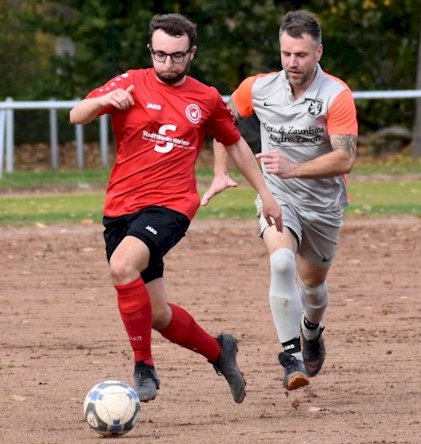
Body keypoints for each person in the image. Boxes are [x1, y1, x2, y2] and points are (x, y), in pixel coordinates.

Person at [69, 13, 282, 404]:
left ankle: (143, 366)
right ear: (151, 50)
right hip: (120, 206)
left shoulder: (205, 97)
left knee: (122, 266)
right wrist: (103, 99)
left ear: (192, 54)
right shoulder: (130, 81)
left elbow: (235, 144)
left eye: (177, 56)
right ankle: (220, 352)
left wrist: (266, 195)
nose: (168, 64)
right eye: (161, 55)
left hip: (171, 205)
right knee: (159, 315)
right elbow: (76, 115)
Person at [202, 9, 358, 391]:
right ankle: (291, 357)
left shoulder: (336, 95)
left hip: (323, 203)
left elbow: (345, 158)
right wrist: (221, 172)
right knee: (282, 259)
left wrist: (293, 168)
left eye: (301, 54)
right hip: (277, 194)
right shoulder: (257, 87)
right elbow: (223, 122)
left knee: (313, 287)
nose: (292, 62)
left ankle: (311, 330)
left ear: (318, 52)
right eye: (286, 53)